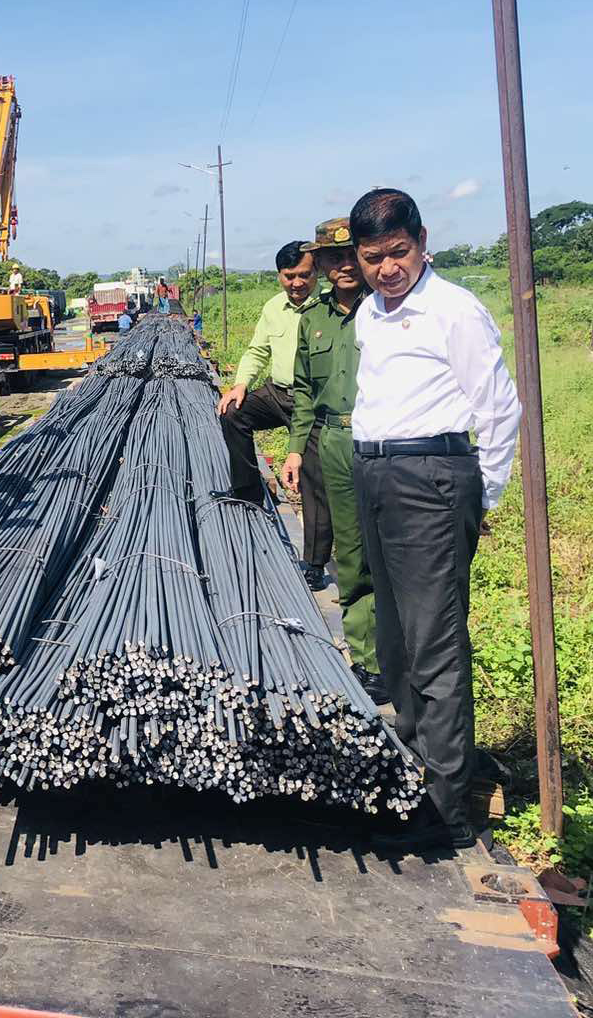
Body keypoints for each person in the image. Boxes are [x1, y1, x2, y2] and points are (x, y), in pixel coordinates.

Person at [347, 188, 521, 852]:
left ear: (422, 241)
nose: (387, 268)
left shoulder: (454, 310)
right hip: (376, 473)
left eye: (399, 252)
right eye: (373, 258)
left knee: (434, 641)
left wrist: (482, 497)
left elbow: (498, 409)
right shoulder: (369, 313)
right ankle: (414, 756)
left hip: (432, 478)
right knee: (394, 635)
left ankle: (445, 809)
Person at [280, 218, 385, 704]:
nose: (343, 265)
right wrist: (296, 448)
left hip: (385, 438)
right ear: (319, 264)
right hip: (335, 440)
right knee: (352, 555)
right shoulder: (313, 319)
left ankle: (403, 651)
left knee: (394, 548)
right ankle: (368, 660)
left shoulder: (387, 307)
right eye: (332, 258)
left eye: (350, 255)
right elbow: (304, 392)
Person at [217, 240, 332, 589]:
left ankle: (315, 562)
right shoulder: (273, 308)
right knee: (233, 413)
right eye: (289, 276)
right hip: (278, 393)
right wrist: (241, 384)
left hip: (314, 403)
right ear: (279, 275)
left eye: (304, 275)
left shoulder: (329, 305)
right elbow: (257, 351)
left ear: (316, 273)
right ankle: (247, 492)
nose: (297, 283)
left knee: (312, 475)